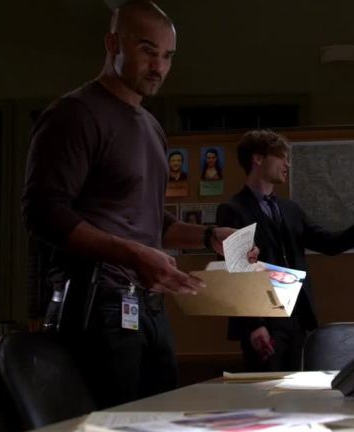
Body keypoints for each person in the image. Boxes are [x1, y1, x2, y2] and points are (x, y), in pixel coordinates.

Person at [21, 1, 251, 408]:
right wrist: (132, 254)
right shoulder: (74, 114)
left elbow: (151, 221)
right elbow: (42, 212)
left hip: (149, 307)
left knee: (159, 422)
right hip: (96, 307)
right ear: (113, 44)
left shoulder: (151, 126)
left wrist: (211, 236)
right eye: (147, 50)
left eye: (168, 56)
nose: (158, 66)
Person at [216, 129, 354, 371]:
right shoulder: (233, 210)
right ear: (257, 159)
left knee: (296, 388)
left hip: (297, 319)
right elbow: (235, 273)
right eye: (281, 157)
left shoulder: (291, 210)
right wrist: (254, 325)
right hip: (263, 322)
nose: (287, 165)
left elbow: (329, 243)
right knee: (265, 390)